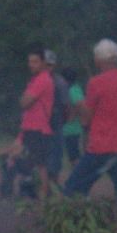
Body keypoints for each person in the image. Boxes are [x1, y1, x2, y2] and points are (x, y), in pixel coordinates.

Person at [63, 38, 117, 226]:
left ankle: (72, 228)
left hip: (102, 147)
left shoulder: (96, 83)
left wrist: (80, 106)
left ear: (98, 60)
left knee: (73, 188)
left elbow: (87, 118)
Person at [15, 47, 55, 201]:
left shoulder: (42, 80)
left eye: (35, 62)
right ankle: (36, 196)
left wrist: (24, 98)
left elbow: (24, 102)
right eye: (30, 61)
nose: (31, 65)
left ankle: (42, 198)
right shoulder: (38, 79)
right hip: (32, 128)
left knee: (39, 166)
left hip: (38, 129)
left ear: (44, 63)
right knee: (32, 164)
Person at [44, 50, 71, 185]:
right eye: (45, 64)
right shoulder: (35, 82)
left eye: (49, 65)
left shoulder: (60, 83)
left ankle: (53, 184)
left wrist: (61, 121)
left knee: (55, 156)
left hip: (55, 124)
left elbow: (66, 107)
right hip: (39, 125)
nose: (47, 68)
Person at [59, 67, 84, 165]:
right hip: (68, 130)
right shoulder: (70, 89)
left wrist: (71, 116)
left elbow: (79, 103)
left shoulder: (73, 90)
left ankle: (80, 175)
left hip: (72, 130)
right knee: (72, 156)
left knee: (74, 157)